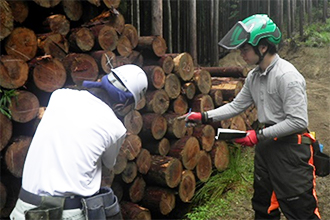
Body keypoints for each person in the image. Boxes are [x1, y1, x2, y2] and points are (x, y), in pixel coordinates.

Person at [180, 14, 321, 220]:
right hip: (266, 147)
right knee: (263, 206)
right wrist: (203, 116)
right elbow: (238, 105)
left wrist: (256, 135)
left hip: (291, 148)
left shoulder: (287, 75)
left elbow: (298, 121)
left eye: (245, 49)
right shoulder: (255, 76)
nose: (241, 54)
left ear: (263, 47)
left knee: (300, 208)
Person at [10, 64, 148, 220]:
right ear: (122, 104)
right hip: (66, 214)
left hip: (24, 209)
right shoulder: (116, 128)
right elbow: (109, 164)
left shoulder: (60, 95)